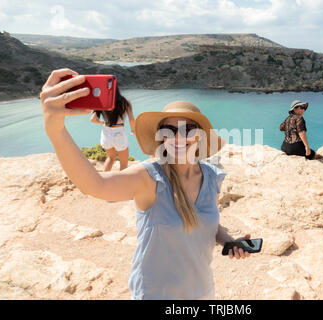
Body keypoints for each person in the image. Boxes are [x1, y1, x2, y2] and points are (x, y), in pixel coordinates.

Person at [40, 68, 253, 300]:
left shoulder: (211, 176)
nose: (178, 137)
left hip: (202, 292)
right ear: (161, 137)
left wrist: (229, 241)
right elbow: (94, 185)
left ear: (200, 136)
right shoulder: (149, 178)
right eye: (169, 130)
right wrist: (56, 130)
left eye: (188, 129)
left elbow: (208, 223)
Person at [90, 86, 136, 172]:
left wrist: (102, 123)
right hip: (119, 133)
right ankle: (121, 184)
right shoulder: (125, 102)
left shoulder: (102, 102)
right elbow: (131, 119)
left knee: (111, 158)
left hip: (106, 133)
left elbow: (92, 119)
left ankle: (103, 181)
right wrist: (133, 131)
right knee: (123, 163)